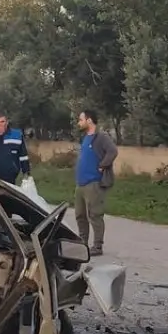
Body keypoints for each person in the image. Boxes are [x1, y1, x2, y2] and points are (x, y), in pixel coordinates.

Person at [73, 107, 118, 256]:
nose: (79, 122)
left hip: (93, 183)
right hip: (80, 184)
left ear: (89, 120)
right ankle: (82, 243)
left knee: (95, 215)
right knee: (80, 215)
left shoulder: (101, 137)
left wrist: (102, 165)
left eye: (81, 119)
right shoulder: (86, 137)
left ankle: (97, 246)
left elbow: (113, 151)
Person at [0, 114, 30, 185]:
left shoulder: (17, 135)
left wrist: (26, 172)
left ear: (7, 122)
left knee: (7, 195)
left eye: (2, 121)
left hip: (10, 175)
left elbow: (23, 155)